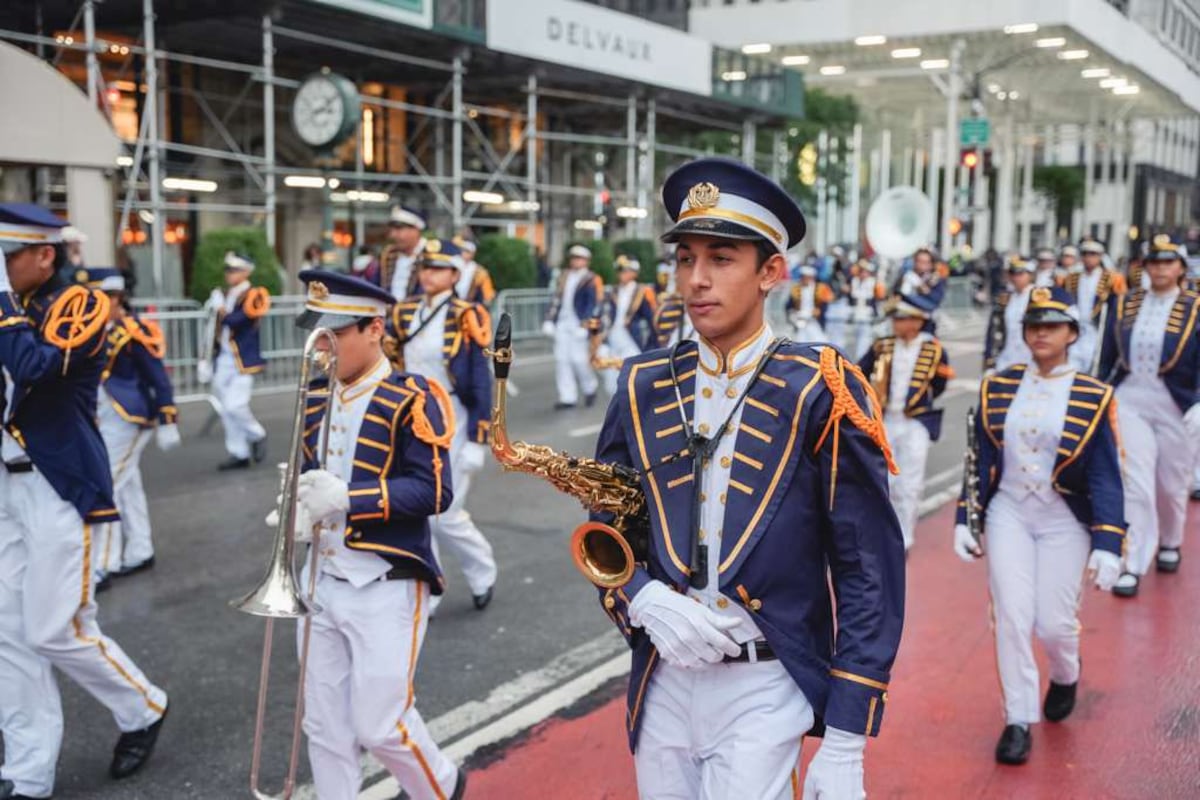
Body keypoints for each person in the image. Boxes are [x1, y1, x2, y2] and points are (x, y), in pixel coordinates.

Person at [592, 157, 904, 800]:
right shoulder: (643, 383)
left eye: (722, 259)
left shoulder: (820, 388)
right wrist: (639, 596)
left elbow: (866, 564)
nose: (696, 280)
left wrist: (847, 737)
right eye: (685, 259)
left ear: (771, 272)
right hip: (661, 679)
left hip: (765, 683)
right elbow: (608, 524)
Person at [0, 205, 168, 800]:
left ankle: (143, 706)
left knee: (54, 628)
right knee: (8, 633)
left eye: (6, 257)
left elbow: (35, 367)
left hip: (59, 482)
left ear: (44, 255)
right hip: (7, 486)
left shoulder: (80, 304)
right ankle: (28, 772)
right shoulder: (14, 306)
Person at [287, 269, 465, 800]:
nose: (323, 347)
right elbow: (310, 475)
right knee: (324, 727)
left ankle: (444, 787)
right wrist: (297, 507)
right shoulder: (315, 398)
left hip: (385, 581)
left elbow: (435, 491)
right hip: (320, 580)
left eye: (335, 334)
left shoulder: (412, 396)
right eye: (318, 334)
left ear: (375, 329)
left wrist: (347, 498)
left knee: (381, 726)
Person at [953, 285, 1124, 765]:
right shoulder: (997, 386)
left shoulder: (1094, 395)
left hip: (1063, 517)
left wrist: (1109, 542)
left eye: (1051, 326)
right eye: (1033, 325)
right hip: (1008, 511)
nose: (1040, 333)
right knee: (1011, 614)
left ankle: (1066, 672)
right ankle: (1018, 718)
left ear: (1072, 333)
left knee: (1054, 624)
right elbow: (979, 457)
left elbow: (1105, 474)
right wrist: (966, 517)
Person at [389, 239, 498, 613]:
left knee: (445, 514)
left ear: (455, 275)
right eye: (425, 267)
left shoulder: (467, 315)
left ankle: (482, 571)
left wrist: (478, 439)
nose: (428, 275)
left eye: (438, 269)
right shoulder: (404, 312)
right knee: (417, 511)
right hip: (411, 416)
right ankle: (430, 590)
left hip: (452, 415)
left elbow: (480, 378)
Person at [1098, 237, 1200, 597]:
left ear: (1180, 268)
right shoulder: (1124, 303)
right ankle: (1133, 561)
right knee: (1135, 482)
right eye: (1154, 262)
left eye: (1167, 262)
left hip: (1176, 402)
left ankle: (1170, 541)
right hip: (1130, 399)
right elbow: (1107, 356)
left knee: (1172, 483)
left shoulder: (1195, 306)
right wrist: (1099, 392)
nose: (1160, 269)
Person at [84, 267, 181, 589]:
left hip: (130, 418)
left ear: (116, 298)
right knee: (127, 485)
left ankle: (104, 564)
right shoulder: (97, 329)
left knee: (106, 484)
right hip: (105, 417)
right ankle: (140, 549)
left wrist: (167, 418)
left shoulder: (133, 331)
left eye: (99, 299)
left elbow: (158, 376)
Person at [858, 293, 952, 551]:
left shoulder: (934, 350)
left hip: (915, 422)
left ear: (917, 321)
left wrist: (917, 403)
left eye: (901, 318)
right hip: (885, 421)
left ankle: (905, 536)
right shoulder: (882, 346)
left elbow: (939, 385)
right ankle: (883, 531)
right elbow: (859, 372)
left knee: (910, 482)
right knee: (884, 480)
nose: (895, 323)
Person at [204, 252, 270, 471]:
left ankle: (257, 434)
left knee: (236, 405)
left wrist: (220, 309)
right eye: (228, 270)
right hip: (223, 358)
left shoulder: (255, 294)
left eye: (234, 270)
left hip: (243, 360)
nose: (229, 274)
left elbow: (237, 320)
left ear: (246, 272)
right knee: (225, 408)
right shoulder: (224, 294)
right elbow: (213, 328)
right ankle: (238, 452)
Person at [542, 244, 603, 409]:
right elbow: (556, 299)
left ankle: (590, 387)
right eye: (573, 258)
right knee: (561, 360)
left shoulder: (592, 279)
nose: (575, 261)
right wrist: (549, 319)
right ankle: (567, 397)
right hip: (563, 323)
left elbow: (594, 304)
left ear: (586, 261)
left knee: (579, 360)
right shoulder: (564, 276)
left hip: (579, 324)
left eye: (579, 258)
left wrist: (585, 326)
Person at [591, 255, 657, 394]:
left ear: (635, 273)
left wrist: (653, 347)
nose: (622, 273)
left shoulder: (643, 291)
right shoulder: (612, 292)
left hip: (633, 340)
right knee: (611, 382)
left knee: (632, 379)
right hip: (613, 339)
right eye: (620, 270)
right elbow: (602, 317)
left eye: (626, 270)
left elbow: (653, 321)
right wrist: (600, 342)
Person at [1064, 239, 1126, 374]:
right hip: (1078, 328)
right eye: (1085, 254)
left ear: (1100, 256)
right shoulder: (1072, 278)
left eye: (1092, 254)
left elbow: (1118, 304)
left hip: (1097, 329)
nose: (1088, 258)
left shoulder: (1112, 278)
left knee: (1095, 366)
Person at [983, 256, 1036, 374]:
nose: (1016, 278)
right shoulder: (1004, 299)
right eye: (1013, 274)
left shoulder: (1038, 297)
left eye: (1020, 274)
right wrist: (989, 359)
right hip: (1006, 358)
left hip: (1031, 359)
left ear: (1030, 275)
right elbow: (993, 331)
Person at [378, 205, 427, 300]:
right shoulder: (388, 255)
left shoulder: (431, 255)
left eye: (399, 229)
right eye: (392, 230)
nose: (393, 235)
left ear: (416, 230)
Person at [847, 258, 886, 360]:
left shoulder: (874, 283)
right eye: (861, 271)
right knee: (852, 341)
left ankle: (861, 359)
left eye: (865, 272)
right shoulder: (853, 281)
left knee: (864, 341)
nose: (863, 274)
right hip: (855, 313)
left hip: (867, 314)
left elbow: (880, 298)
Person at [784, 264, 834, 342]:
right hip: (800, 320)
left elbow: (825, 304)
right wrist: (792, 315)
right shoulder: (795, 289)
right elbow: (789, 306)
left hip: (815, 320)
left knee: (819, 340)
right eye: (803, 277)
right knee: (800, 340)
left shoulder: (821, 288)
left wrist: (819, 311)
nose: (804, 279)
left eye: (807, 277)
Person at [450, 235, 497, 306]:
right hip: (451, 300)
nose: (465, 253)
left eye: (468, 251)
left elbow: (487, 293)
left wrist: (487, 300)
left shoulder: (478, 269)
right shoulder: (452, 262)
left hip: (468, 302)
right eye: (464, 250)